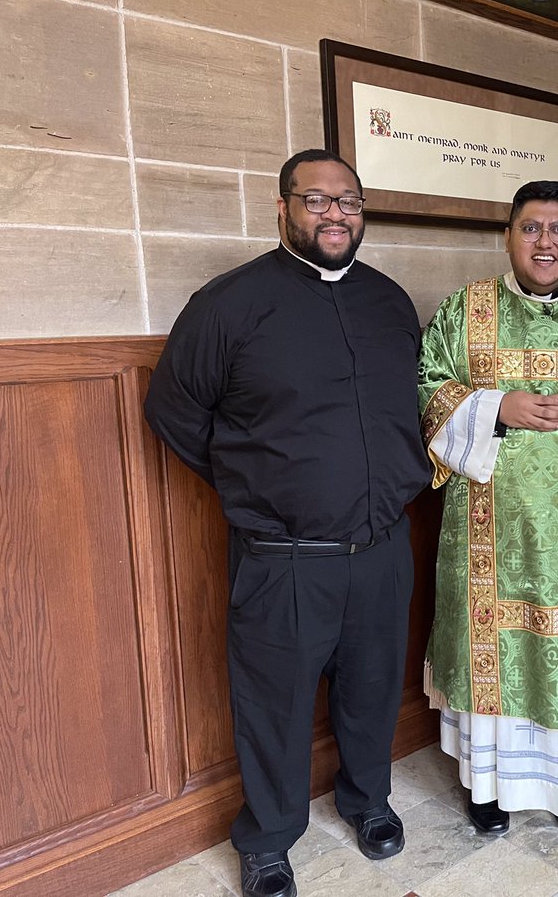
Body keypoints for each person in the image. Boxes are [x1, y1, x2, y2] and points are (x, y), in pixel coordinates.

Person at [145, 148, 428, 897]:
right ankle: (269, 838)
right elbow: (173, 413)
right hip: (283, 556)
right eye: (318, 200)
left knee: (371, 689)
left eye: (349, 202)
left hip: (381, 546)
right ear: (282, 209)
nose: (335, 214)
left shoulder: (390, 301)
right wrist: (258, 483)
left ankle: (368, 802)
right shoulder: (228, 305)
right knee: (273, 703)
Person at [417, 181, 558, 834]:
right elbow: (431, 390)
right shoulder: (466, 311)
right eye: (531, 228)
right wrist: (497, 408)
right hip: (488, 527)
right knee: (494, 650)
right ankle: (487, 787)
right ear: (509, 236)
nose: (546, 242)